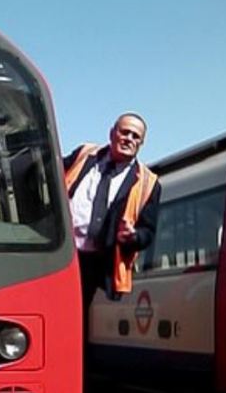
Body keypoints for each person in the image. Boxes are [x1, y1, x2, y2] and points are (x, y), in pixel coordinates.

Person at [64, 112, 161, 313]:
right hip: (61, 253)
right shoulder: (84, 155)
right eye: (124, 132)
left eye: (135, 136)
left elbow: (148, 232)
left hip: (96, 267)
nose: (129, 139)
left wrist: (133, 236)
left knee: (77, 324)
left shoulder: (148, 183)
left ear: (141, 143)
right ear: (112, 133)